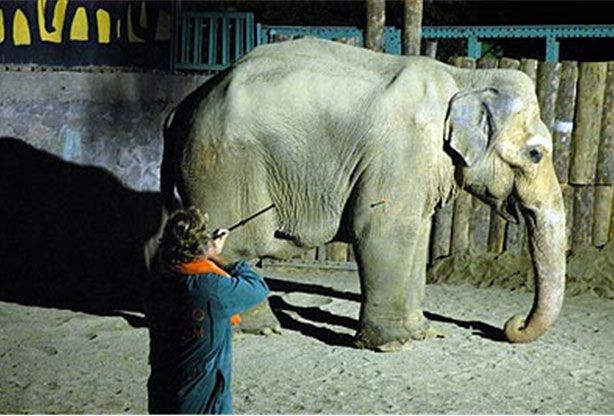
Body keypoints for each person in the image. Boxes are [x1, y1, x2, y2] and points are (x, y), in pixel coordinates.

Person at [145, 206, 270, 414]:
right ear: (201, 247)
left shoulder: (158, 283)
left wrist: (205, 254)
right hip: (202, 402)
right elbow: (258, 288)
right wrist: (218, 257)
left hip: (163, 395)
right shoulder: (210, 289)